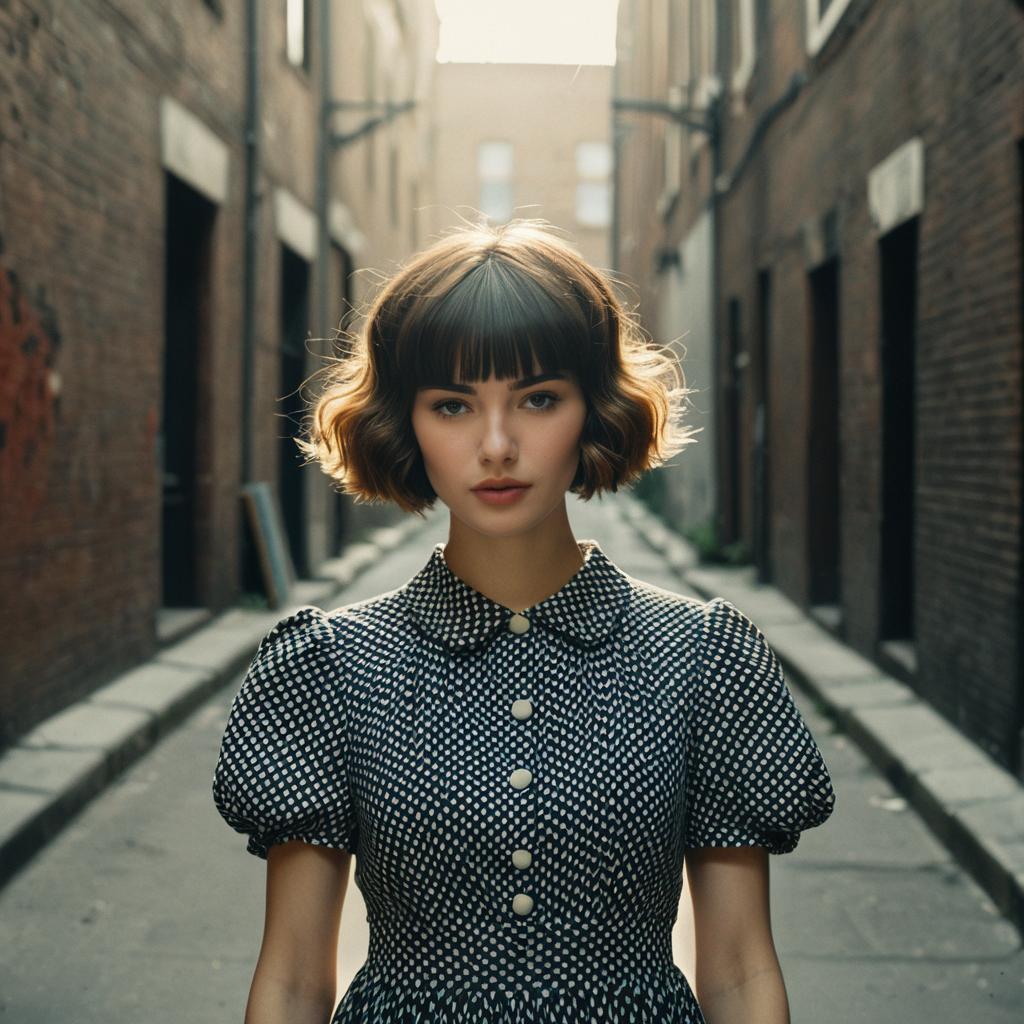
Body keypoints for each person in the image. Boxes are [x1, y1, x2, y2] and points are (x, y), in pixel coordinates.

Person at [211, 218, 836, 1024]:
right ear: (405, 422)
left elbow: (742, 973)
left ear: (594, 408)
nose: (498, 445)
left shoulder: (702, 657)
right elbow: (294, 981)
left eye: (538, 399)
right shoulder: (329, 669)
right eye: (453, 405)